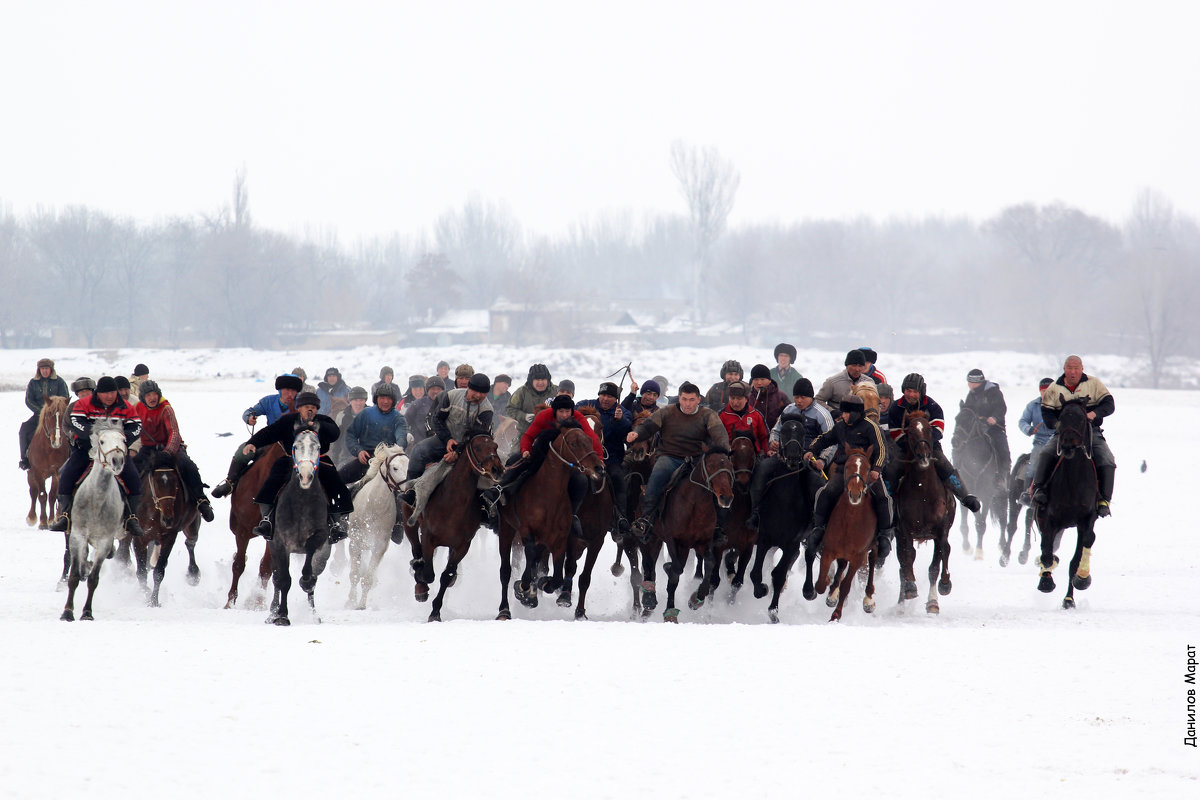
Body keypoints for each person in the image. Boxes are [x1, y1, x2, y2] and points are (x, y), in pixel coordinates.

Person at [482, 393, 604, 533]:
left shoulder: (578, 418)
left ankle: (572, 516)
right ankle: (499, 490)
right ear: (555, 411)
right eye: (561, 411)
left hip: (567, 460)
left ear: (572, 411)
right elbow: (528, 436)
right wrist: (525, 450)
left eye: (567, 411)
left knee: (581, 481)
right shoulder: (544, 416)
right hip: (541, 452)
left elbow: (591, 438)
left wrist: (599, 458)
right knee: (515, 462)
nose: (564, 415)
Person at [625, 381, 730, 542]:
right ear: (679, 398)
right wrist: (637, 434)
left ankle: (718, 527)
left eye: (691, 399)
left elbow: (720, 435)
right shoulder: (666, 412)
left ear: (698, 400)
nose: (688, 404)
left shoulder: (708, 415)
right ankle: (645, 520)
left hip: (697, 459)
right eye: (684, 399)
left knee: (718, 482)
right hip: (669, 457)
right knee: (656, 478)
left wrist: (724, 451)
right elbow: (647, 427)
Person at [243, 392, 353, 542]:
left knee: (336, 484)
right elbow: (269, 433)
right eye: (307, 407)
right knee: (272, 481)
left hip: (318, 461)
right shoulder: (288, 421)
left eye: (313, 408)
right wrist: (253, 443)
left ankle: (335, 524)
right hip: (291, 459)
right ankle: (267, 520)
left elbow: (334, 433)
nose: (310, 410)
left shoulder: (323, 420)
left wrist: (316, 426)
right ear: (299, 408)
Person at [49, 376, 145, 536]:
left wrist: (123, 437)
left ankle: (131, 518)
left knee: (134, 478)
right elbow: (76, 423)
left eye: (113, 392)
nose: (110, 396)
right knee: (67, 474)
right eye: (106, 393)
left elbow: (136, 425)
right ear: (98, 393)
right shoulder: (82, 405)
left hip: (115, 450)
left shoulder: (125, 406)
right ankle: (65, 515)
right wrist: (95, 435)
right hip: (88, 450)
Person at [803, 395, 892, 558]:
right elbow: (824, 439)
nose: (842, 415)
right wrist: (811, 450)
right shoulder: (840, 427)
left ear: (855, 413)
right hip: (844, 470)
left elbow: (882, 450)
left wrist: (877, 469)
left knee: (883, 498)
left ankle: (884, 535)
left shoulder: (871, 427)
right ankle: (819, 528)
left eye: (845, 413)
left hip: (868, 471)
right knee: (825, 492)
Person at [1029, 355, 1116, 516]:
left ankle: (1103, 500)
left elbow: (1109, 405)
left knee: (1107, 459)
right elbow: (1047, 413)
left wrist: (1094, 414)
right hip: (1063, 433)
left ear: (1082, 369)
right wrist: (1058, 425)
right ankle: (1039, 490)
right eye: (1070, 368)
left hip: (1090, 431)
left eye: (1076, 368)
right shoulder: (1054, 388)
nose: (1073, 372)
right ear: (1064, 370)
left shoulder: (1094, 384)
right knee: (1045, 453)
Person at [884, 372, 982, 513]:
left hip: (930, 446)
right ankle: (888, 504)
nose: (911, 395)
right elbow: (895, 433)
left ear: (921, 391)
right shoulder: (896, 407)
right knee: (892, 470)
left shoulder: (932, 406)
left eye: (915, 392)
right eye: (908, 391)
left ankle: (965, 496)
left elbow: (938, 431)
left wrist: (922, 442)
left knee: (944, 465)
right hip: (904, 448)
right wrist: (911, 444)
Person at [746, 377, 833, 529]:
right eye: (796, 397)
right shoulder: (788, 410)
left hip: (809, 459)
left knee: (817, 485)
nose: (799, 400)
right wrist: (774, 442)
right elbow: (776, 430)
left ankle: (816, 523)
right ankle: (756, 512)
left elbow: (831, 440)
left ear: (811, 397)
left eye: (803, 397)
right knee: (761, 470)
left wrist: (822, 460)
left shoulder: (822, 414)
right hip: (784, 456)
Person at [402, 373, 494, 502]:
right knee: (418, 450)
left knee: (491, 465)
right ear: (469, 388)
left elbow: (475, 435)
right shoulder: (451, 396)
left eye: (483, 393)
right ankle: (411, 491)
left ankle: (486, 503)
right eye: (475, 391)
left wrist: (457, 452)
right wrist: (448, 439)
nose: (478, 395)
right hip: (444, 439)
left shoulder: (487, 410)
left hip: (471, 447)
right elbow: (437, 419)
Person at [133, 380, 215, 522]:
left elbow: (174, 433)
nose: (152, 398)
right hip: (148, 449)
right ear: (143, 398)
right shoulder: (137, 408)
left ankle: (201, 500)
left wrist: (167, 452)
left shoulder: (166, 409)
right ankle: (128, 507)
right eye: (148, 395)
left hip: (170, 447)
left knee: (189, 466)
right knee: (132, 468)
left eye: (154, 394)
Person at [211, 374, 303, 498]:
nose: (290, 394)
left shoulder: (302, 404)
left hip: (294, 443)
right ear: (280, 390)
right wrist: (250, 418)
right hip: (270, 440)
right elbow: (249, 412)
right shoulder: (269, 401)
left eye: (293, 391)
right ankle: (230, 482)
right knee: (242, 452)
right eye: (287, 390)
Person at [576, 381, 635, 537]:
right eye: (603, 394)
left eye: (610, 396)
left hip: (611, 458)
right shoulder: (586, 405)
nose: (605, 399)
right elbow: (573, 413)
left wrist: (619, 420)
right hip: (584, 458)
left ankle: (621, 517)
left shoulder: (623, 412)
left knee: (618, 478)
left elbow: (628, 428)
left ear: (616, 398)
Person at [338, 382, 409, 484]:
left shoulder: (398, 418)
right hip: (366, 458)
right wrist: (358, 451)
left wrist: (394, 452)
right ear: (376, 399)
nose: (385, 401)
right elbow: (350, 435)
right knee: (337, 478)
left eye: (389, 399)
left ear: (393, 401)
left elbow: (401, 437)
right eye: (382, 398)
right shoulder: (365, 414)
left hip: (390, 460)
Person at [18, 357, 69, 470]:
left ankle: (69, 456)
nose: (45, 371)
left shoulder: (59, 382)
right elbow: (29, 400)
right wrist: (41, 412)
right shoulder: (33, 382)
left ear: (51, 369)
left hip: (56, 416)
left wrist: (54, 410)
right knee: (24, 430)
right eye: (42, 369)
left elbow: (64, 398)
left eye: (47, 368)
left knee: (68, 432)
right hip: (38, 415)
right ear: (39, 370)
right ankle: (25, 459)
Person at [961, 368, 1011, 475]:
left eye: (970, 382)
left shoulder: (994, 392)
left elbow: (1001, 408)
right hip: (976, 429)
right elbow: (969, 410)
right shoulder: (971, 395)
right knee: (960, 444)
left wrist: (994, 418)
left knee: (1003, 452)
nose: (969, 385)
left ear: (976, 382)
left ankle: (1004, 477)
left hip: (995, 428)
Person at [1016, 377, 1055, 491]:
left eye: (1050, 391)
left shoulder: (1061, 405)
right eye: (1044, 391)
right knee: (1033, 466)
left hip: (1058, 442)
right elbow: (1022, 421)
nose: (1046, 394)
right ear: (1040, 391)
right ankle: (1028, 492)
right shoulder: (1033, 405)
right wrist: (1029, 429)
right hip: (1040, 442)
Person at [505, 364, 558, 440]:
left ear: (548, 380)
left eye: (543, 379)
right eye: (537, 379)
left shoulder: (556, 391)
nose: (540, 382)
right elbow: (510, 408)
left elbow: (566, 409)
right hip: (525, 433)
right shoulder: (521, 392)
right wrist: (524, 416)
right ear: (531, 380)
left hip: (551, 434)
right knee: (515, 452)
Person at [815, 349, 876, 413]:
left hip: (862, 419)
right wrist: (832, 412)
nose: (857, 369)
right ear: (847, 365)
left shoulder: (869, 382)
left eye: (860, 366)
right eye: (854, 365)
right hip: (838, 419)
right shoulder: (832, 382)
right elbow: (818, 401)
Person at [719, 381, 769, 454]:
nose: (735, 402)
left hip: (753, 455)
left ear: (746, 399)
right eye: (732, 398)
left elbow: (765, 437)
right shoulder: (722, 415)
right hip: (730, 456)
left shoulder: (756, 415)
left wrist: (767, 451)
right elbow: (717, 438)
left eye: (739, 399)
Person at [330, 385, 369, 469]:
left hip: (369, 457)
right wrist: (335, 461)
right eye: (355, 400)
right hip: (346, 457)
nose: (358, 403)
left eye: (361, 400)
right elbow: (337, 441)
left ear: (365, 401)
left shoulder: (372, 414)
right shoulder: (341, 416)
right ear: (350, 401)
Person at [747, 364, 787, 428]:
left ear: (769, 380)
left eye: (762, 379)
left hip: (775, 435)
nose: (759, 383)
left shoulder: (781, 397)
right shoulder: (747, 398)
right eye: (756, 379)